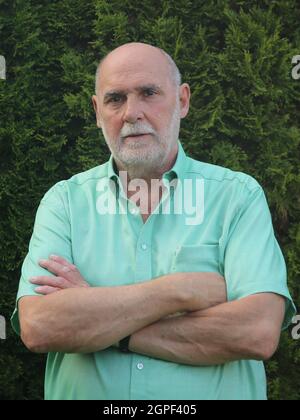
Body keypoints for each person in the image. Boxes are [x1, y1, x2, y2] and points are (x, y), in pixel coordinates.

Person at [11, 42, 295, 400]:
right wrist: (179, 290)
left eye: (148, 93)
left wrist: (104, 321)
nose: (132, 113)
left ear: (183, 101)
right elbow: (40, 326)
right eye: (115, 99)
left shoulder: (237, 196)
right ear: (98, 112)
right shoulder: (64, 202)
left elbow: (256, 331)